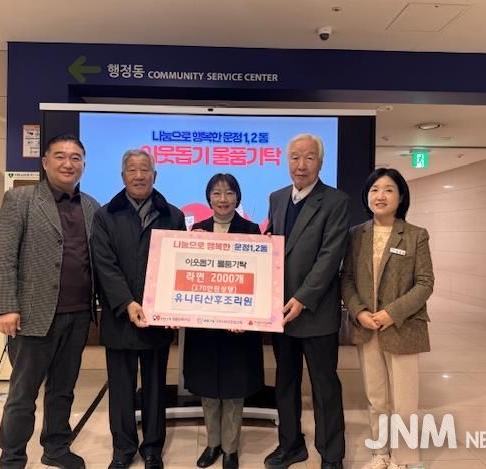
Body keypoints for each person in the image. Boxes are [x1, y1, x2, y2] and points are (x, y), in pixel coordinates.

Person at [0, 134, 100, 469]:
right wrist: (6, 307)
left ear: (84, 164)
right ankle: (12, 457)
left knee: (63, 389)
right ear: (45, 161)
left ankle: (56, 448)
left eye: (76, 158)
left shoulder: (91, 206)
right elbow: (4, 256)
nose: (68, 163)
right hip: (32, 315)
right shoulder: (20, 199)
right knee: (23, 393)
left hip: (78, 314)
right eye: (60, 156)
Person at [91, 149, 186, 469]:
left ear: (154, 175)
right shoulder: (105, 216)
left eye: (145, 169)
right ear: (123, 176)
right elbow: (104, 265)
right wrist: (126, 302)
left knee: (155, 388)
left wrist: (173, 307)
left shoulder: (173, 216)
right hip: (121, 317)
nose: (139, 175)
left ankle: (153, 449)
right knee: (121, 389)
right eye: (132, 169)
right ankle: (123, 449)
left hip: (158, 319)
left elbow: (179, 265)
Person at [264, 134, 349, 469]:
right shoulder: (277, 197)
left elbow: (330, 256)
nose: (301, 165)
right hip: (281, 312)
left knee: (324, 387)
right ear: (287, 161)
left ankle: (331, 455)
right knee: (285, 383)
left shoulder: (336, 201)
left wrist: (302, 297)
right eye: (295, 157)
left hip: (316, 312)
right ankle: (290, 445)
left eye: (309, 157)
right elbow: (273, 245)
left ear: (320, 162)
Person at [341, 168, 434, 469]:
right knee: (376, 397)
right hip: (367, 327)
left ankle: (404, 458)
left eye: (389, 189)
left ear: (401, 196)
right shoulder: (356, 234)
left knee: (404, 401)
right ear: (366, 196)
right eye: (374, 190)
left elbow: (425, 283)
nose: (380, 196)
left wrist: (391, 314)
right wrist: (359, 312)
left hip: (402, 327)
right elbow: (347, 278)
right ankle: (380, 453)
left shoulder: (416, 235)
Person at [183, 173, 264, 469]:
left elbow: (260, 280)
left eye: (229, 193)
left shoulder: (252, 231)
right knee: (207, 388)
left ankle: (230, 449)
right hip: (204, 328)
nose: (223, 199)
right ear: (208, 198)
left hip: (238, 328)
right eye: (216, 193)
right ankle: (212, 444)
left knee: (233, 389)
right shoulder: (197, 231)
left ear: (238, 197)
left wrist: (247, 317)